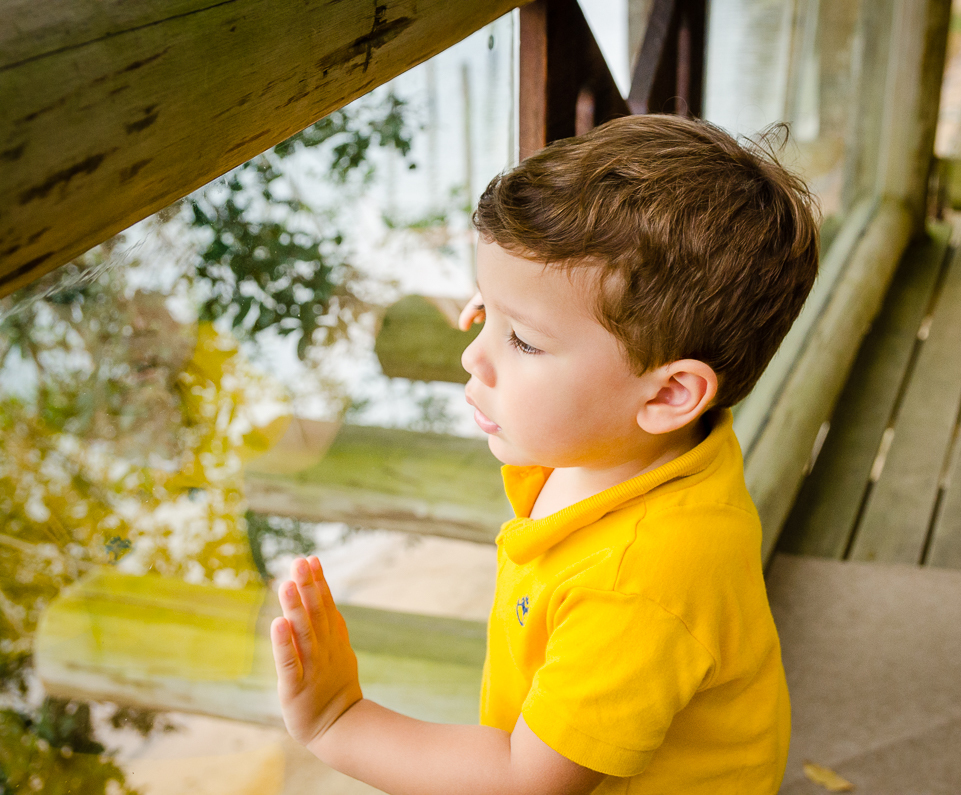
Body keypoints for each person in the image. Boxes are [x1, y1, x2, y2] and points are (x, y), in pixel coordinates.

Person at [270, 113, 820, 794]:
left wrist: (337, 718)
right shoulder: (642, 445)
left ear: (670, 392)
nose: (472, 355)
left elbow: (524, 780)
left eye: (523, 340)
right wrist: (517, 310)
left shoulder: (637, 582)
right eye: (483, 308)